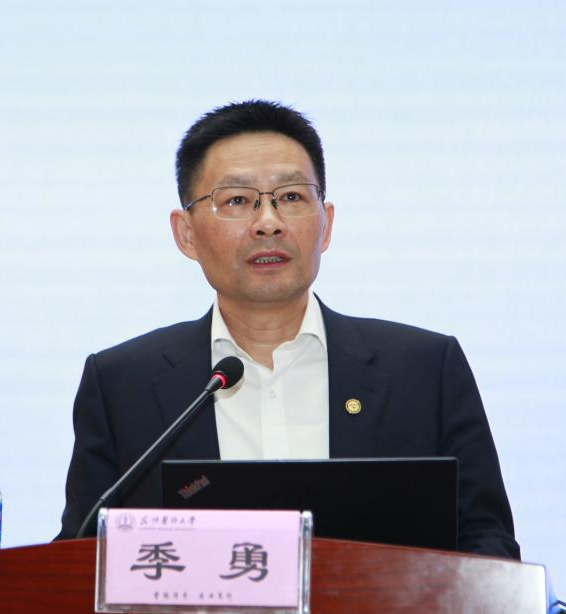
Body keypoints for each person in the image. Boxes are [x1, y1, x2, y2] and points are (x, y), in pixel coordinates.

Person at [56, 100, 519, 559]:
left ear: (326, 224)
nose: (268, 223)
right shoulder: (122, 386)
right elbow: (78, 562)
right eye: (237, 201)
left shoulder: (424, 372)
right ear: (186, 234)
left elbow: (489, 550)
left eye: (292, 197)